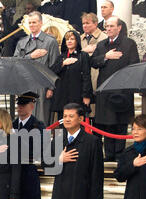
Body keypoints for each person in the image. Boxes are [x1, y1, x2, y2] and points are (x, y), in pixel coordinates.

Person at [90, 16, 140, 162]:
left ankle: (119, 154)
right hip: (105, 90)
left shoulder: (129, 44)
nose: (109, 29)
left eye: (112, 26)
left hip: (122, 89)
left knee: (120, 123)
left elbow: (134, 64)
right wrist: (105, 56)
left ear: (119, 27)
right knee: (106, 123)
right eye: (107, 26)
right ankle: (109, 154)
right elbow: (93, 61)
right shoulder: (102, 45)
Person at [14, 11, 59, 124]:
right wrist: (30, 56)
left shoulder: (50, 41)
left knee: (42, 118)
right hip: (26, 84)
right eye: (30, 23)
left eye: (34, 22)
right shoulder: (22, 42)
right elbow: (15, 62)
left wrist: (51, 88)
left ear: (41, 23)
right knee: (26, 118)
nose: (32, 25)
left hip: (43, 85)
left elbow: (55, 66)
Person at [50, 30, 92, 123]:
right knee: (62, 123)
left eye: (72, 39)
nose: (69, 41)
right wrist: (63, 63)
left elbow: (86, 76)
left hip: (77, 94)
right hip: (62, 96)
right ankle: (62, 138)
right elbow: (52, 71)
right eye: (67, 39)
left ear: (77, 41)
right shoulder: (61, 57)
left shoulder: (83, 56)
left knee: (77, 121)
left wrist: (86, 95)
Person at [81, 12, 107, 124]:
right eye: (83, 23)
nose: (85, 26)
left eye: (87, 23)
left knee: (96, 115)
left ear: (95, 23)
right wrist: (84, 51)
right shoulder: (80, 38)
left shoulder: (104, 38)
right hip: (83, 80)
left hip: (97, 77)